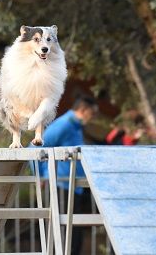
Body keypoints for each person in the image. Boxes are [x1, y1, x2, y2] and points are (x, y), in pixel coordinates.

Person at [33, 95, 98, 255]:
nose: (93, 118)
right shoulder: (64, 124)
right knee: (63, 236)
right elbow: (34, 147)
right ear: (83, 110)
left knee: (73, 235)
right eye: (92, 113)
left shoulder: (76, 126)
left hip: (72, 188)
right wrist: (40, 175)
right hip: (59, 186)